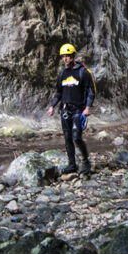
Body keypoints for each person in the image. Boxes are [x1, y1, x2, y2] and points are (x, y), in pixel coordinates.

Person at [47, 43, 96, 174]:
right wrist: (52, 106)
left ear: (73, 56)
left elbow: (91, 90)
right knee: (67, 137)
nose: (65, 59)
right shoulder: (62, 73)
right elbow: (58, 92)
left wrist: (88, 107)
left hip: (79, 110)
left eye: (68, 56)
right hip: (65, 110)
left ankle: (86, 163)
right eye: (63, 56)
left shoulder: (83, 72)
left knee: (76, 137)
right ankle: (72, 164)